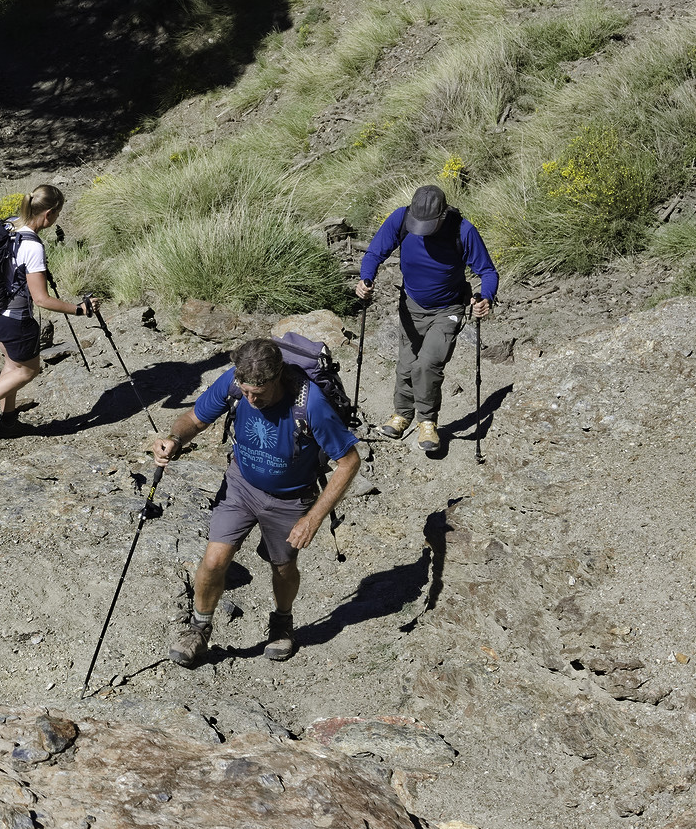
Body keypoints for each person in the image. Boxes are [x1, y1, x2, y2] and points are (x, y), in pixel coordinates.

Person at [151, 337, 361, 665]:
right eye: (245, 391)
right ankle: (199, 628)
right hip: (240, 486)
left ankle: (282, 621)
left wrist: (313, 518)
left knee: (282, 566)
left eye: (257, 394)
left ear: (277, 377)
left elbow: (349, 462)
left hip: (291, 499)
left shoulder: (311, 405)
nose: (250, 399)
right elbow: (193, 419)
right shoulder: (233, 383)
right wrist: (174, 439)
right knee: (214, 560)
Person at [355, 183, 498, 455]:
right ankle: (402, 415)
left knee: (428, 364)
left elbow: (487, 271)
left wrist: (486, 297)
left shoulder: (463, 231)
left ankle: (427, 421)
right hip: (411, 305)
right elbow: (375, 252)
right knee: (407, 364)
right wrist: (366, 278)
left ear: (443, 216)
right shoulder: (401, 219)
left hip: (448, 309)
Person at [0, 184, 96, 442]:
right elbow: (41, 299)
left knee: (12, 365)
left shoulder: (8, 225)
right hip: (15, 319)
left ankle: (8, 422)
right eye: (59, 213)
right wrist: (79, 309)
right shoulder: (33, 247)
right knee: (27, 371)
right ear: (49, 213)